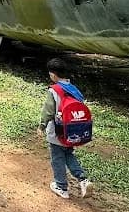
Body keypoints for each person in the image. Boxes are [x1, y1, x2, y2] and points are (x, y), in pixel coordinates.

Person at [37, 57, 93, 199]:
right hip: (73, 131)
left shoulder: (54, 90)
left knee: (57, 157)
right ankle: (83, 179)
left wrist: (42, 125)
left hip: (57, 131)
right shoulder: (74, 89)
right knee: (68, 154)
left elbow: (48, 110)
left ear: (53, 75)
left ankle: (61, 187)